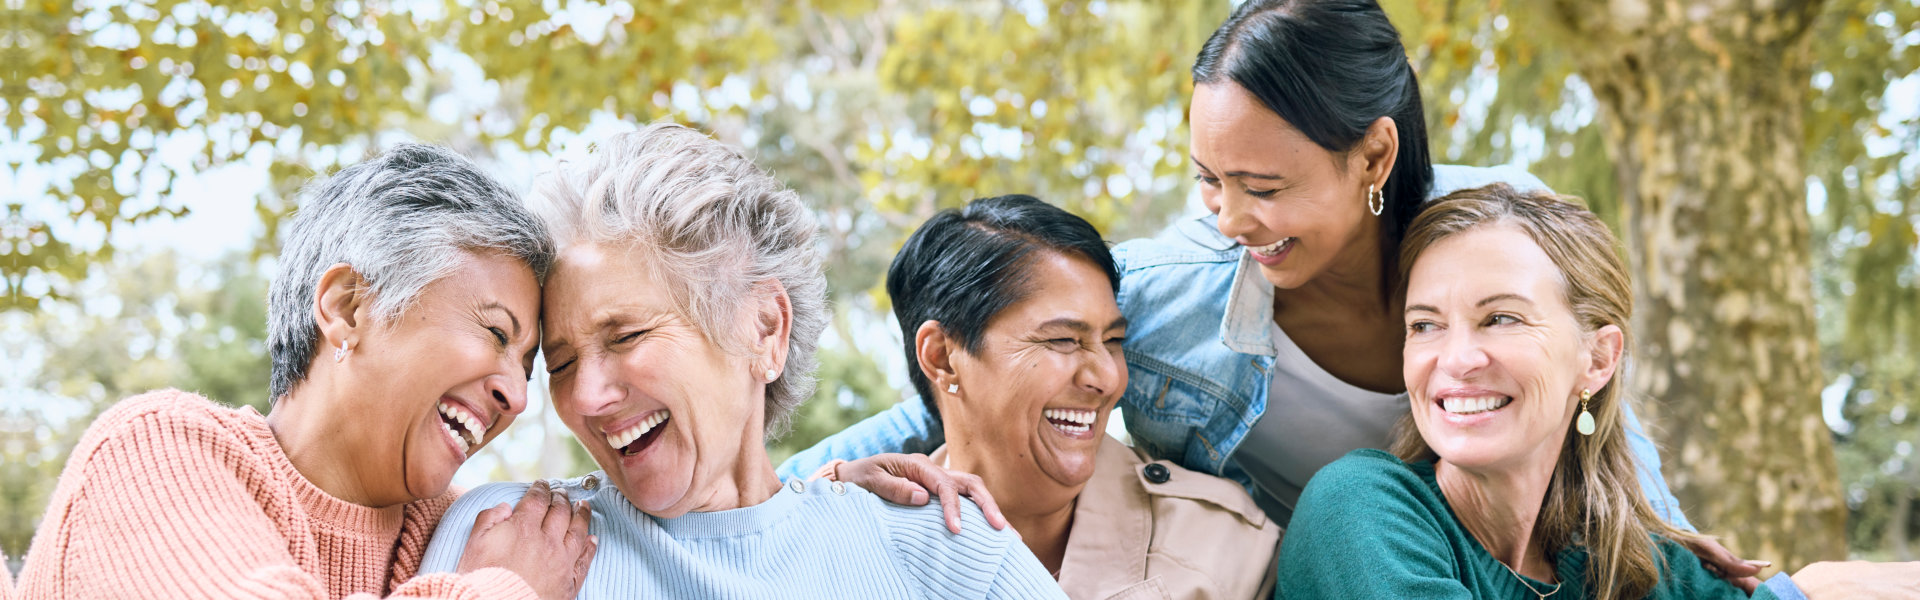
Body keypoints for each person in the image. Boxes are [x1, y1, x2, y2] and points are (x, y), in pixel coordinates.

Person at [779, 1, 1764, 582]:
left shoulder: (1497, 241)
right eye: (1210, 181)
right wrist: (799, 490)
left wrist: (1664, 540)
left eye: (1263, 186)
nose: (1230, 217)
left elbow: (1589, 399)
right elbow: (973, 373)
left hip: (1516, 566)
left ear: (1373, 154)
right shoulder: (1173, 297)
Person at [415, 124, 1064, 599]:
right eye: (559, 364)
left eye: (627, 336)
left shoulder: (938, 542)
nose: (585, 397)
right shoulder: (506, 545)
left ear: (764, 328)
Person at [1277, 184, 1920, 599]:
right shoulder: (1359, 512)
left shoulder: (1626, 565)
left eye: (1500, 318)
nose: (1457, 359)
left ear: (1597, 359)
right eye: (1426, 325)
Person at [16, 144, 596, 599]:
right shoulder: (150, 453)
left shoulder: (479, 529)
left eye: (529, 367)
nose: (517, 397)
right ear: (347, 308)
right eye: (495, 333)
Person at [831, 194, 1279, 598]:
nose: (1108, 378)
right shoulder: (845, 546)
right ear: (943, 357)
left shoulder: (1221, 546)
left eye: (1113, 341)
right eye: (1062, 340)